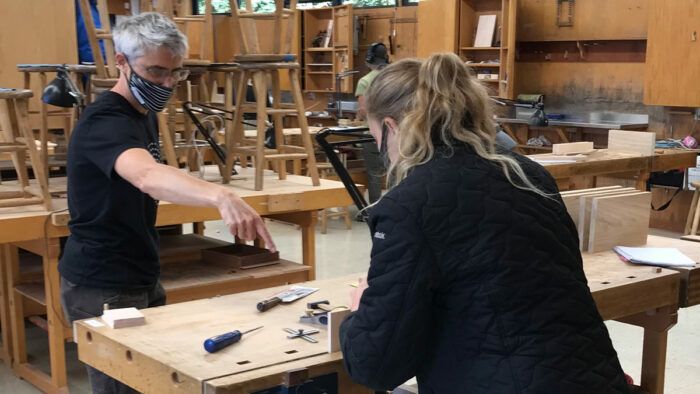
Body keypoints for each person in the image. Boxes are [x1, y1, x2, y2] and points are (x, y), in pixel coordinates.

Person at [339, 53, 631, 393]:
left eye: (376, 137)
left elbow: (376, 365)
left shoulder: (409, 205)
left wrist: (360, 313)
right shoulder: (529, 175)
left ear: (391, 128)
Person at [59, 13, 275, 394]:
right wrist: (221, 195)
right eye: (155, 72)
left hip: (138, 270)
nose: (166, 83)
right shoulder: (105, 121)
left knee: (153, 383)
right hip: (103, 282)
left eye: (175, 73)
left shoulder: (141, 114)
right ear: (120, 62)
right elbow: (145, 175)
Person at [355, 43, 390, 205]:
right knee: (394, 170)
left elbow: (363, 110)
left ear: (369, 60)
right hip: (395, 131)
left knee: (374, 172)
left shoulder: (365, 81)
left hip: (373, 133)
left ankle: (375, 207)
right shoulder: (394, 77)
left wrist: (357, 117)